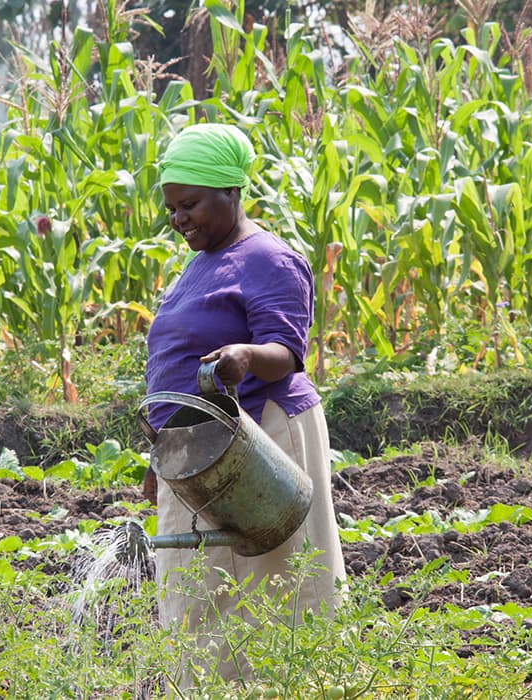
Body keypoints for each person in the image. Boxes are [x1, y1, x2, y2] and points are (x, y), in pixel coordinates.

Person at [143, 122, 346, 688]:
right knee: (195, 583)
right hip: (196, 449)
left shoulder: (269, 259)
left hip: (260, 439)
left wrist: (245, 355)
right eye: (172, 208)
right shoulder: (198, 263)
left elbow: (286, 351)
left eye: (190, 204)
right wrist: (160, 461)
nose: (179, 219)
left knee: (270, 580)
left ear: (231, 192)